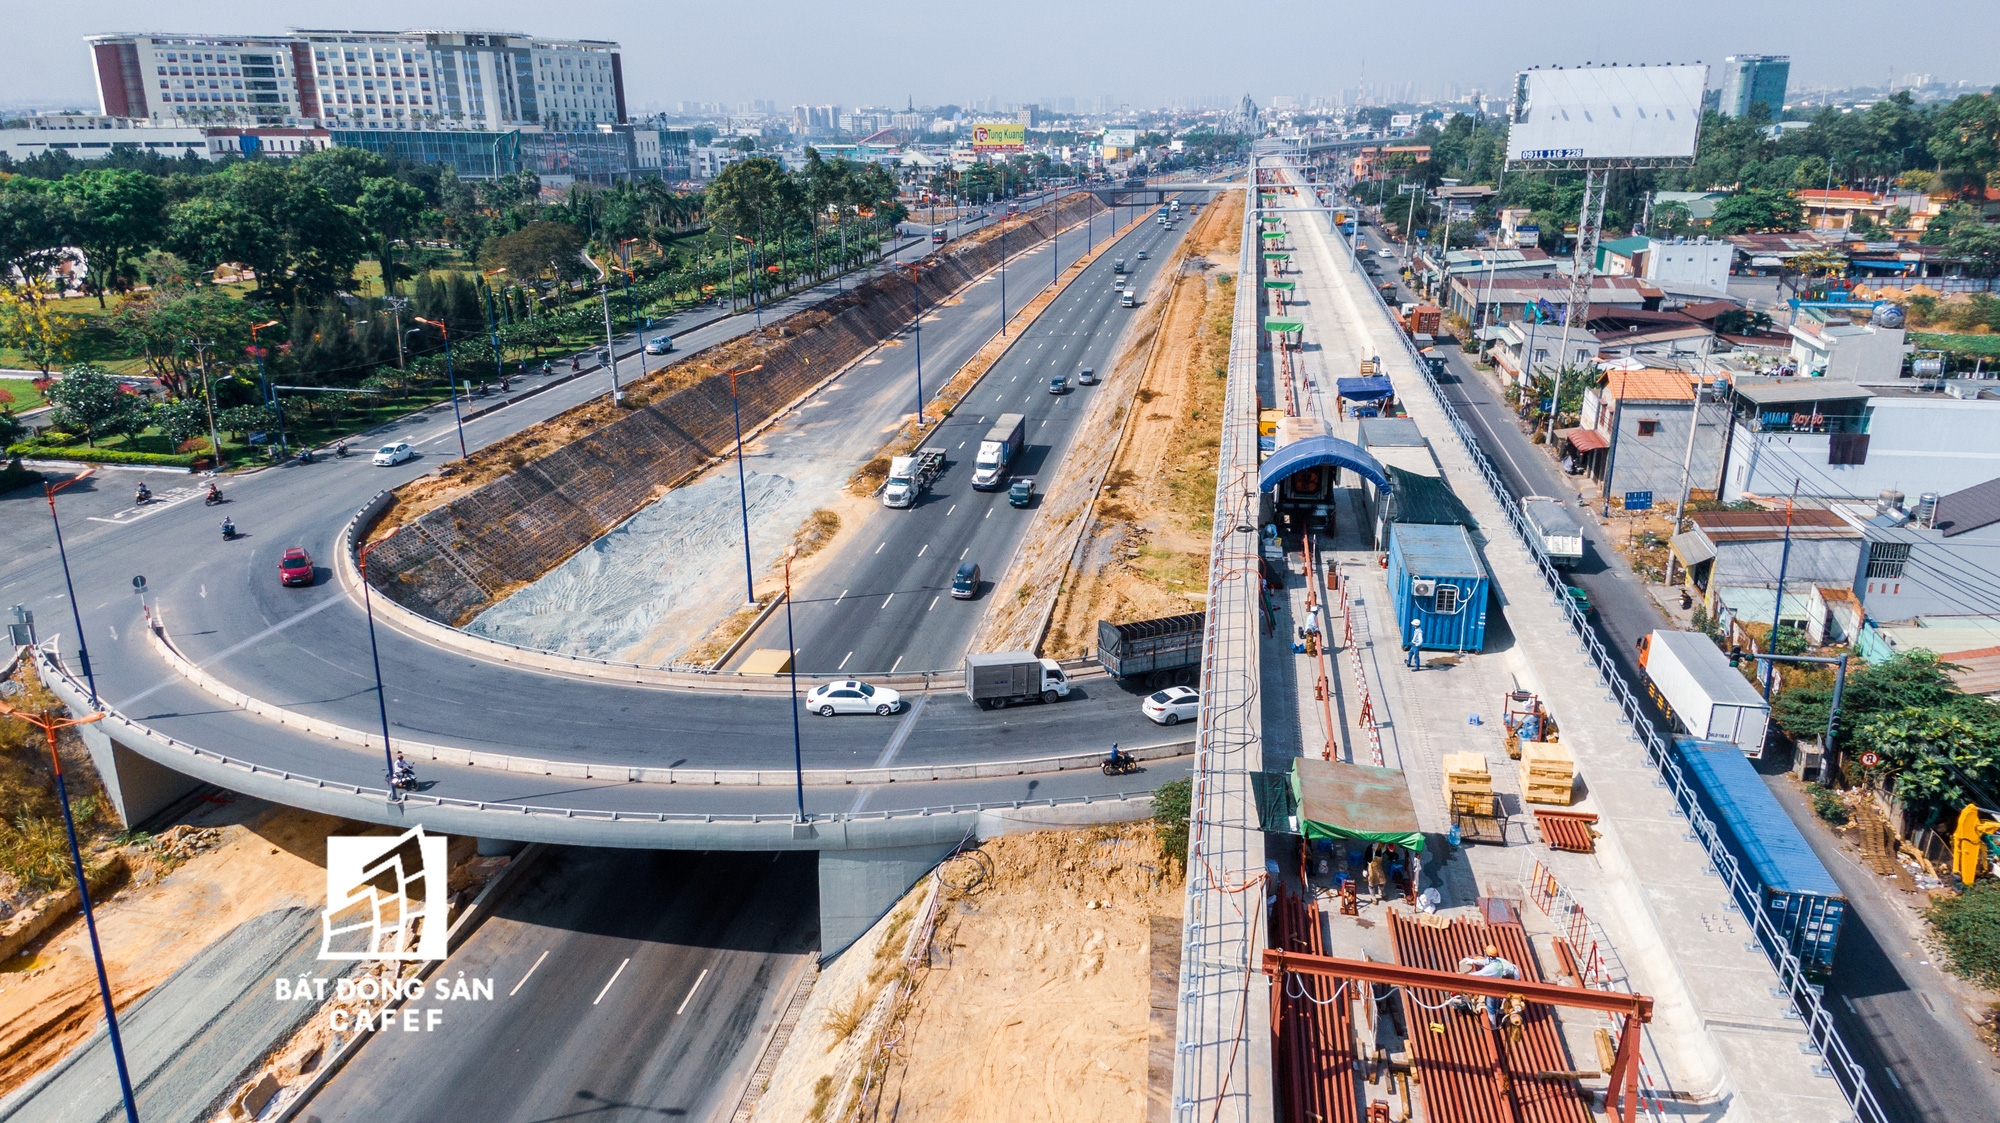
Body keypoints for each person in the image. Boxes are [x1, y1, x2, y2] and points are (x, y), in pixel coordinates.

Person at [1455, 945, 1521, 1027]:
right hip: (1500, 981)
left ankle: (1493, 1025)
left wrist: (1464, 975)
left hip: (1508, 981)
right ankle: (1497, 1013)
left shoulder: (1491, 969)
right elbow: (1485, 962)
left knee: (1490, 1006)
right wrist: (1472, 961)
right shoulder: (1496, 961)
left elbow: (1478, 974)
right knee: (1496, 1001)